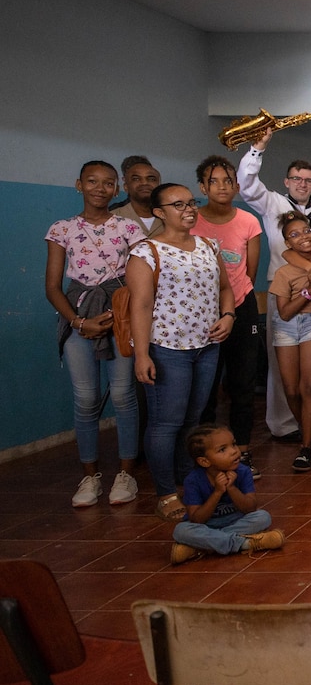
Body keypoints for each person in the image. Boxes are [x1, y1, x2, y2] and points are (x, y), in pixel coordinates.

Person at [126, 183, 234, 522]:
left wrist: (228, 316)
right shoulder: (146, 252)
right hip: (167, 348)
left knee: (193, 419)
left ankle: (188, 481)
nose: (188, 209)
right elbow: (140, 307)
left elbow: (225, 289)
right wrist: (142, 355)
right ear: (159, 212)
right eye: (178, 205)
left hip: (206, 347)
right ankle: (165, 492)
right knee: (165, 423)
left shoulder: (208, 245)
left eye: (191, 203)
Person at [45, 160, 143, 508]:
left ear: (117, 189)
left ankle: (126, 474)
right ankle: (90, 477)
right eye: (92, 182)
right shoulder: (62, 229)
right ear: (79, 185)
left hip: (119, 313)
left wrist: (124, 317)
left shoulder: (129, 230)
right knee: (86, 400)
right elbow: (53, 287)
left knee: (122, 395)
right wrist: (78, 322)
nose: (100, 189)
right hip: (79, 315)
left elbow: (140, 280)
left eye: (107, 183)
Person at [236, 129, 311, 439]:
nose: (303, 184)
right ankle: (283, 424)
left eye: (308, 180)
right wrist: (258, 148)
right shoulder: (273, 204)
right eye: (297, 178)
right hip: (283, 290)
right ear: (287, 181)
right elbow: (247, 184)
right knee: (282, 366)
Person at [191, 156, 264, 469]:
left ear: (236, 185)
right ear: (202, 187)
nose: (222, 187)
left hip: (241, 305)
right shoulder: (190, 220)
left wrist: (232, 306)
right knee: (205, 384)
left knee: (242, 382)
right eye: (214, 181)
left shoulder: (248, 221)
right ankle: (207, 452)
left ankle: (241, 449)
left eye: (227, 181)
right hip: (200, 310)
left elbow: (249, 271)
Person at [169, 424, 283, 566]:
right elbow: (197, 519)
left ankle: (201, 548)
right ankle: (245, 543)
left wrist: (231, 488)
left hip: (235, 520)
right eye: (223, 450)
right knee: (181, 531)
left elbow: (250, 508)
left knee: (262, 517)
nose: (234, 451)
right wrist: (217, 492)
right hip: (207, 526)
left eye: (233, 444)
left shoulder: (243, 471)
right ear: (205, 461)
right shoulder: (193, 480)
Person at [267, 212, 311, 471]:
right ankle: (307, 432)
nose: (304, 236)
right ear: (287, 244)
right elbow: (285, 312)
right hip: (287, 327)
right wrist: (309, 290)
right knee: (290, 389)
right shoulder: (284, 272)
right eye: (294, 234)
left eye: (306, 230)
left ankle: (306, 445)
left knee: (309, 387)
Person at [111, 155, 162, 236]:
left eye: (151, 179)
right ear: (126, 186)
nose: (144, 183)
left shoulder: (172, 217)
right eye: (136, 179)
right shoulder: (111, 219)